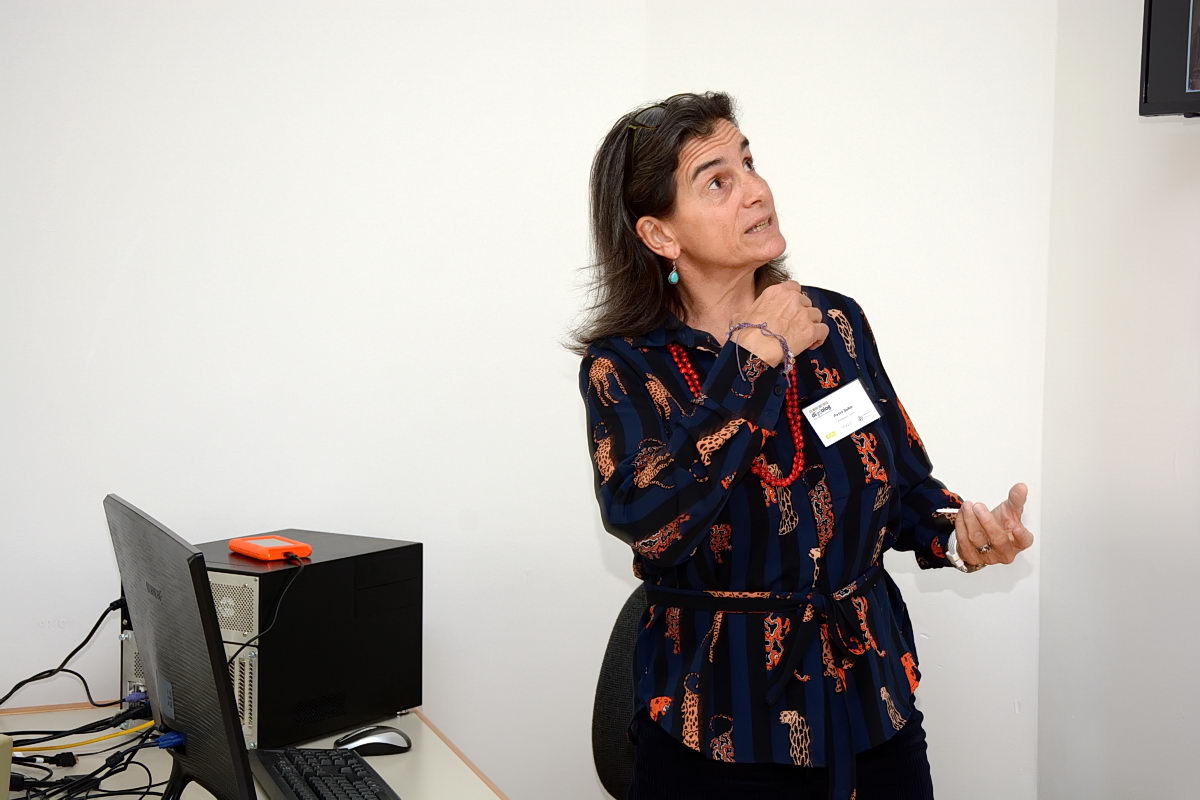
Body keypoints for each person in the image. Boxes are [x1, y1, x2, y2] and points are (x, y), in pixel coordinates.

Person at [574, 92, 1035, 800]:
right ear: (661, 235)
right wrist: (755, 356)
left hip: (869, 709)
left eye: (748, 162)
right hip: (718, 730)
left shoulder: (836, 323)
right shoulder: (627, 367)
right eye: (716, 181)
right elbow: (653, 522)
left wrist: (957, 533)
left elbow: (901, 485)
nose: (755, 190)